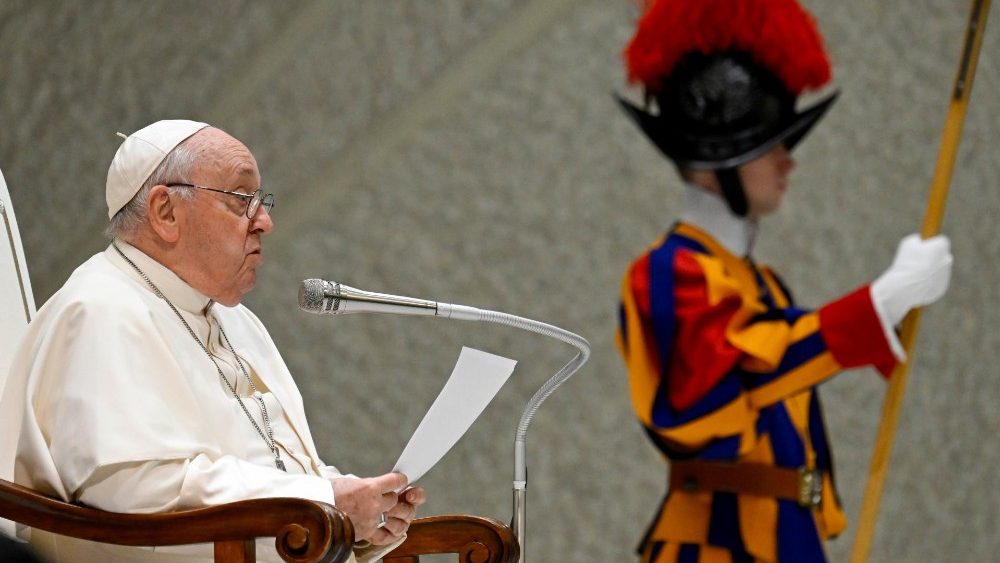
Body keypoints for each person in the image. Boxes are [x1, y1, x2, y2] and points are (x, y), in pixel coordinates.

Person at [613, 1, 953, 561]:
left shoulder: (761, 283)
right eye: (771, 145)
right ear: (722, 159)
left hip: (788, 537)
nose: (788, 161)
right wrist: (876, 306)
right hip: (716, 545)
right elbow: (717, 400)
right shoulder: (669, 272)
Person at [0, 120, 425, 562]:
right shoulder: (98, 311)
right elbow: (135, 488)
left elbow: (280, 465)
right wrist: (324, 501)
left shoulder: (236, 321)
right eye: (243, 200)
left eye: (262, 201)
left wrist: (361, 517)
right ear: (166, 212)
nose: (265, 222)